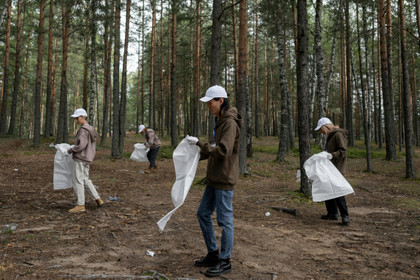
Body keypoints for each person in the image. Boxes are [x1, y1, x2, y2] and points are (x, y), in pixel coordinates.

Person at [186, 85, 242, 277]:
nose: (208, 105)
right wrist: (195, 153)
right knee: (203, 213)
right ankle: (212, 254)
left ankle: (225, 261)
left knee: (225, 220)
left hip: (224, 178)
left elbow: (223, 151)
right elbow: (215, 148)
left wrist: (201, 144)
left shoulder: (230, 123)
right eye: (208, 102)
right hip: (214, 178)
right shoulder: (220, 121)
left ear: (221, 101)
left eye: (211, 102)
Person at [67, 108, 103, 213]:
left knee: (78, 180)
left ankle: (80, 205)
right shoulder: (90, 129)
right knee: (85, 179)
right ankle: (98, 199)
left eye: (77, 118)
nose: (76, 120)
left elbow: (81, 145)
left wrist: (71, 150)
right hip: (87, 158)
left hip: (80, 158)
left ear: (82, 117)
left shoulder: (83, 130)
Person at [315, 117, 350, 224]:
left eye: (321, 129)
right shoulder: (330, 136)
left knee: (338, 192)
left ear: (326, 127)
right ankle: (332, 213)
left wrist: (330, 155)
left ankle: (345, 216)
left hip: (337, 168)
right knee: (327, 190)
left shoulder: (338, 135)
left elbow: (343, 151)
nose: (320, 132)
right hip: (330, 167)